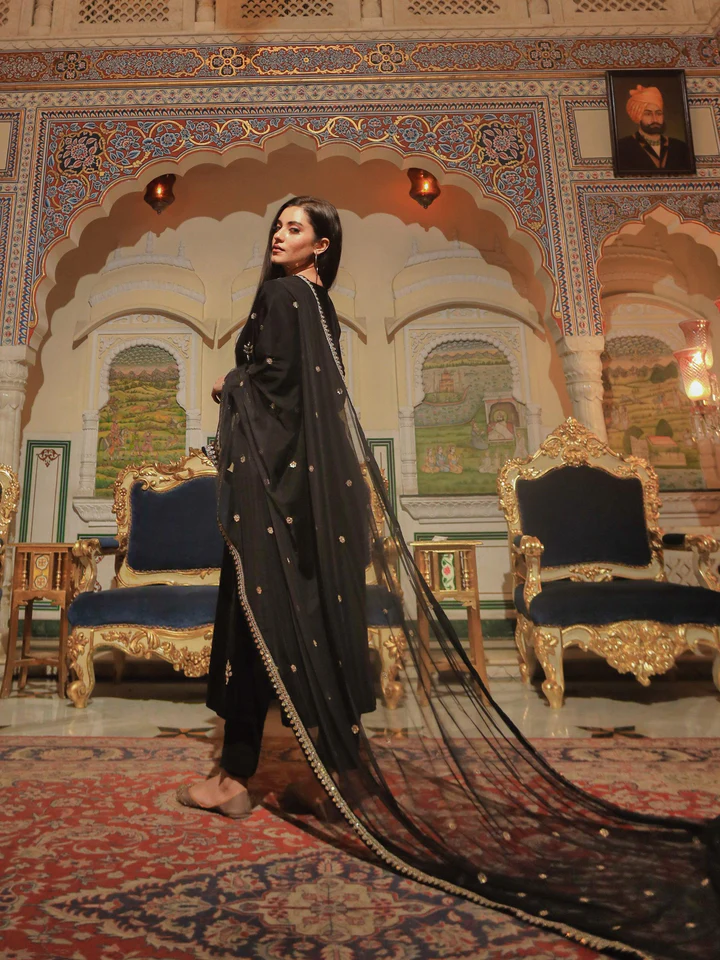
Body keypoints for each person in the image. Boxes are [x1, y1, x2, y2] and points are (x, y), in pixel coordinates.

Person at [179, 196, 719, 960]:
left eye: (295, 228)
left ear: (322, 244)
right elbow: (303, 401)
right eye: (277, 225)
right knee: (305, 626)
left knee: (253, 625)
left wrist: (228, 387)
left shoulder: (282, 296)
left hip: (273, 498)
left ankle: (235, 779)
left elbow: (268, 391)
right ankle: (338, 769)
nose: (279, 235)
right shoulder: (322, 308)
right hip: (309, 499)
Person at [615, 85, 692, 173]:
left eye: (658, 113)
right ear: (638, 116)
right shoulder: (622, 147)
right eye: (648, 114)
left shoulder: (680, 147)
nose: (655, 119)